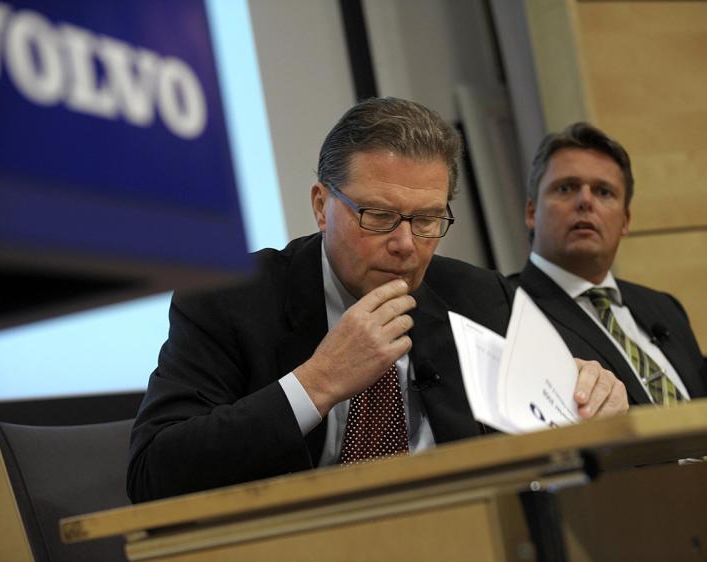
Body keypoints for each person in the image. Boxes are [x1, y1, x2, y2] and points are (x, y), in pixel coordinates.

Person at [128, 99, 627, 503]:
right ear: (322, 206)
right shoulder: (228, 296)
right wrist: (318, 381)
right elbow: (155, 472)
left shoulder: (480, 299)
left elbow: (539, 456)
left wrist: (588, 405)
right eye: (379, 216)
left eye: (428, 220)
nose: (406, 244)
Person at [518, 122, 706, 407]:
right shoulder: (510, 309)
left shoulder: (664, 308)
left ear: (625, 221)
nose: (585, 201)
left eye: (604, 192)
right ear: (532, 213)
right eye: (566, 188)